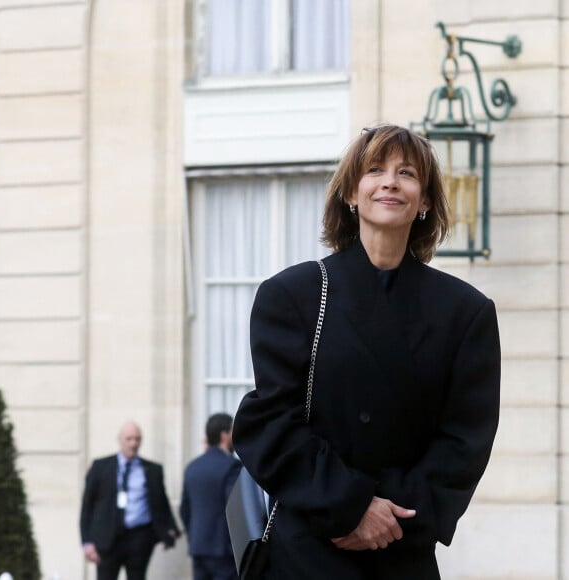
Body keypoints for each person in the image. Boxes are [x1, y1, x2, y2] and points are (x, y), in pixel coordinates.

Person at [232, 124, 501, 579]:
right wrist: (352, 506)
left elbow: (465, 441)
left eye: (407, 173)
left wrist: (388, 517)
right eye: (374, 170)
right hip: (307, 549)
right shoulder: (291, 295)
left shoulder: (466, 312)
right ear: (351, 195)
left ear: (426, 200)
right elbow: (269, 423)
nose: (391, 181)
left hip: (402, 549)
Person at [79, 421, 180, 580]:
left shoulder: (152, 470)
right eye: (129, 439)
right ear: (120, 439)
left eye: (137, 439)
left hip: (139, 539)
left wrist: (170, 529)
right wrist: (87, 542)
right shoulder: (101, 467)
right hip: (107, 539)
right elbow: (87, 507)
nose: (133, 443)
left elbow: (161, 503)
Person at [180, 413, 242, 580]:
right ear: (224, 435)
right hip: (223, 549)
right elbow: (235, 509)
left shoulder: (192, 467)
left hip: (198, 547)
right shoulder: (232, 466)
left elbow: (184, 510)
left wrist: (194, 536)